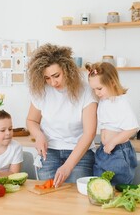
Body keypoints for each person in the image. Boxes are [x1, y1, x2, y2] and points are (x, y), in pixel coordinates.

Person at [26, 43, 97, 187]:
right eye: (47, 78)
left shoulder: (86, 91)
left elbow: (89, 133)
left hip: (79, 154)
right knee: (48, 199)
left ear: (67, 69)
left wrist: (68, 166)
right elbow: (31, 120)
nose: (52, 82)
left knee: (75, 200)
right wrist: (39, 135)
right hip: (49, 152)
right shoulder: (41, 91)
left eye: (56, 76)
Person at [85, 62, 139, 185]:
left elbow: (132, 129)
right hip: (105, 150)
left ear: (112, 83)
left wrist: (113, 143)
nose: (97, 93)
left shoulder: (121, 102)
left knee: (117, 186)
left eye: (99, 88)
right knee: (100, 186)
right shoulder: (104, 100)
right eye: (94, 89)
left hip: (118, 151)